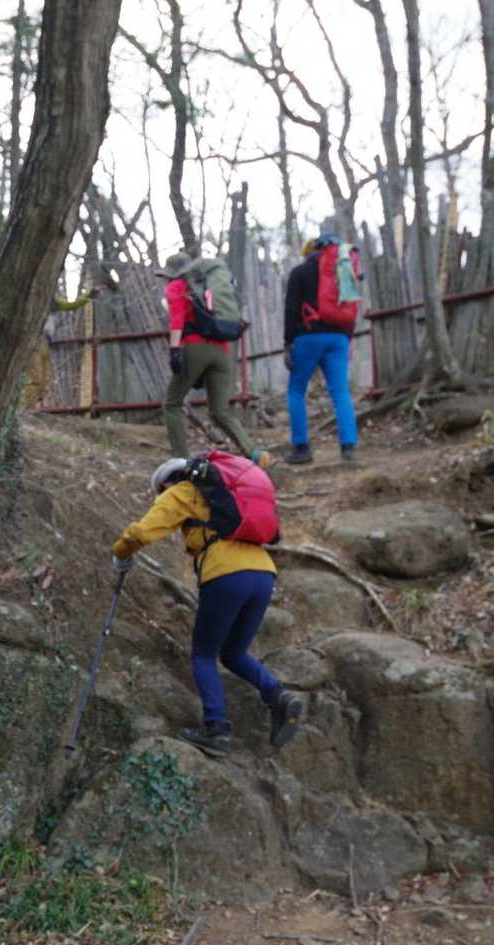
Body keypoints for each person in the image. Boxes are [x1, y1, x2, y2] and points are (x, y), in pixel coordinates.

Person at [110, 457, 303, 756]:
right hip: (264, 575)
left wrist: (120, 552)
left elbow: (141, 533)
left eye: (161, 492)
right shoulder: (228, 495)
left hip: (226, 575)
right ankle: (279, 696)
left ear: (166, 483)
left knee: (203, 654)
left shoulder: (183, 491)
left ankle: (216, 729)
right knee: (234, 653)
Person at [157, 251, 265, 464]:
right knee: (219, 411)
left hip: (195, 348)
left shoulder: (177, 286)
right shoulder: (206, 285)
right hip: (222, 353)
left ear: (173, 274)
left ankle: (181, 461)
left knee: (172, 404)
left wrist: (175, 350)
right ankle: (255, 454)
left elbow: (177, 320)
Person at [283, 234, 363, 465]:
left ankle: (301, 448)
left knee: (296, 391)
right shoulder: (342, 271)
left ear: (309, 252)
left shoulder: (300, 272)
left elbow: (291, 309)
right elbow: (351, 308)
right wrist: (347, 338)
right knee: (341, 393)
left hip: (308, 337)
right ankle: (348, 448)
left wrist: (288, 343)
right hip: (339, 338)